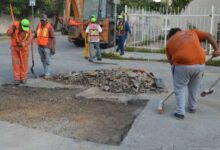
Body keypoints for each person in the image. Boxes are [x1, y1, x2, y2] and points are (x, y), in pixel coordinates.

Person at [166, 28, 220, 119]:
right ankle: (192, 107)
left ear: (171, 35)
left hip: (181, 64)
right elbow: (209, 36)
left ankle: (180, 112)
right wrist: (217, 50)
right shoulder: (191, 32)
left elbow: (171, 62)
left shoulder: (169, 42)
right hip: (200, 63)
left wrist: (178, 77)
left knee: (180, 88)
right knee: (194, 86)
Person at [7, 19, 32, 85]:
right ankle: (17, 79)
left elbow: (29, 39)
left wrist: (22, 44)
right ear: (20, 24)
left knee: (24, 64)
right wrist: (12, 29)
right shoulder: (14, 25)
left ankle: (23, 77)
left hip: (23, 49)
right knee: (16, 63)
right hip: (15, 48)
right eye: (23, 28)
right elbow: (8, 34)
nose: (24, 30)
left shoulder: (28, 29)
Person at [35, 14, 56, 78]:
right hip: (40, 46)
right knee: (43, 60)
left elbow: (53, 38)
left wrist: (53, 48)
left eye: (43, 20)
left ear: (46, 20)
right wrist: (31, 39)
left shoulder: (49, 27)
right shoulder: (38, 26)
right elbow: (36, 34)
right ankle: (45, 72)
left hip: (47, 47)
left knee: (47, 61)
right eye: (41, 20)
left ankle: (47, 74)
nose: (42, 22)